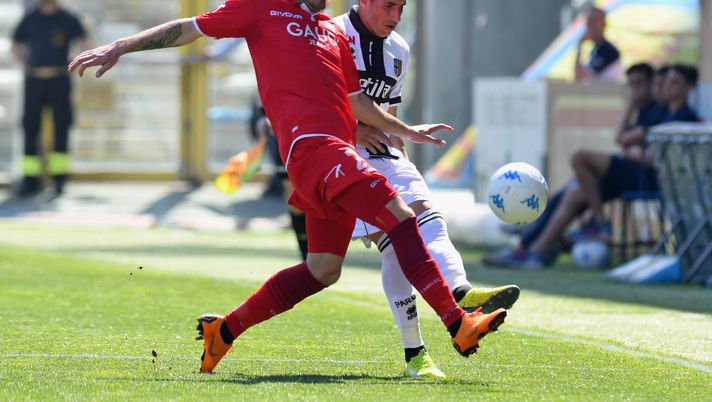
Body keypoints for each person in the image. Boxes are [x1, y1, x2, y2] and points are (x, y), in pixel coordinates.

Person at [69, 0, 509, 374]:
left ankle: (222, 331)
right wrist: (123, 46)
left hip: (335, 154)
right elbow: (191, 27)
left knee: (322, 270)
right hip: (312, 150)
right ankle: (457, 322)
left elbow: (356, 102)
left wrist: (406, 130)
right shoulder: (262, 7)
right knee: (401, 217)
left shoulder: (331, 34)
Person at [332, 0, 519, 378]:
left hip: (384, 154)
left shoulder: (398, 48)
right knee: (328, 268)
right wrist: (354, 131)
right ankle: (418, 350)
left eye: (401, 7)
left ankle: (462, 294)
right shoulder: (333, 34)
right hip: (337, 155)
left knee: (427, 219)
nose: (395, 16)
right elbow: (309, 105)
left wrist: (397, 145)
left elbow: (386, 114)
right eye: (388, 6)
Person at [484, 62, 688, 269]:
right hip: (632, 172)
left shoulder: (670, 114)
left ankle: (596, 224)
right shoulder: (652, 111)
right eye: (632, 84)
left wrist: (637, 153)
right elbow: (625, 141)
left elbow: (639, 148)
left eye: (669, 83)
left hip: (645, 177)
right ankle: (533, 247)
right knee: (572, 191)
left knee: (580, 158)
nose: (663, 88)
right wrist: (631, 117)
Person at [11, 0, 88, 197]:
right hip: (34, 80)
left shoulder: (68, 18)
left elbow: (85, 44)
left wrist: (75, 63)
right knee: (30, 127)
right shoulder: (30, 18)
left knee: (61, 127)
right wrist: (25, 65)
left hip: (59, 79)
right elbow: (15, 45)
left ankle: (59, 178)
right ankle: (31, 179)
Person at [574, 7, 622, 82]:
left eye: (594, 22)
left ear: (604, 24)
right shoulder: (596, 50)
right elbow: (579, 78)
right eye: (588, 22)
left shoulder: (608, 50)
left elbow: (580, 75)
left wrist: (580, 45)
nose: (590, 26)